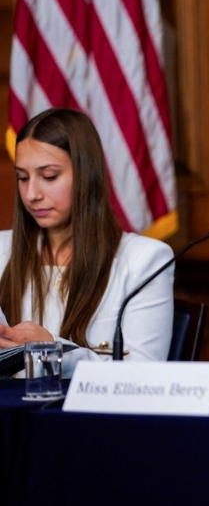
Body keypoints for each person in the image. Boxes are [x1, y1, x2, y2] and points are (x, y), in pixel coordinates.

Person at [0, 107, 174, 377]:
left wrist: (54, 351)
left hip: (93, 417)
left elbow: (144, 375)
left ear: (86, 175)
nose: (31, 194)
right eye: (22, 178)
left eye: (49, 176)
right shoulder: (2, 249)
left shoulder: (145, 259)